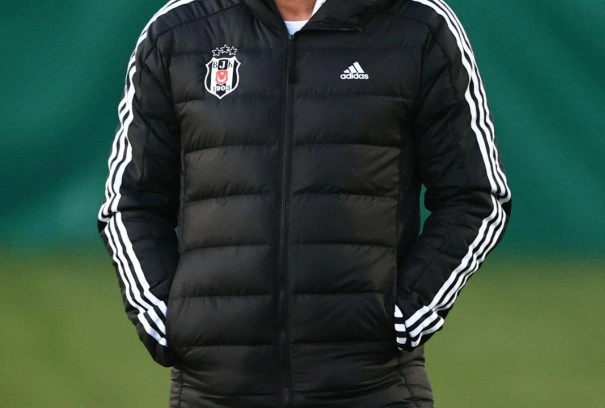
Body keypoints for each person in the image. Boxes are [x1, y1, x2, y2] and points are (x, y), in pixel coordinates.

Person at [97, 0, 512, 406]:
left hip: (372, 386)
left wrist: (406, 316)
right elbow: (131, 201)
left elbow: (476, 197)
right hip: (214, 391)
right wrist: (167, 320)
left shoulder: (420, 24)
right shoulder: (178, 28)